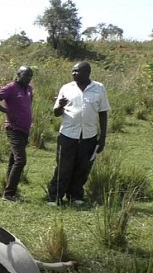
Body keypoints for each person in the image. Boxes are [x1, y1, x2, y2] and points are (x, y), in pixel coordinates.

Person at [47, 61, 109, 206]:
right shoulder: (66, 88)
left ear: (87, 72)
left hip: (89, 135)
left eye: (77, 71)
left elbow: (103, 113)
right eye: (73, 71)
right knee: (63, 166)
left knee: (83, 167)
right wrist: (60, 106)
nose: (74, 74)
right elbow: (56, 113)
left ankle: (75, 196)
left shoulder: (99, 88)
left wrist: (103, 137)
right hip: (68, 135)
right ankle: (55, 197)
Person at [0, 66, 34, 202]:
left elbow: (27, 106)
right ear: (18, 75)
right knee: (21, 160)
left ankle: (10, 189)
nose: (28, 78)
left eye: (30, 76)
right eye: (25, 75)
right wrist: (7, 111)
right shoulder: (10, 88)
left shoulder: (29, 89)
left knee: (14, 160)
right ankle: (8, 194)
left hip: (25, 129)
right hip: (13, 129)